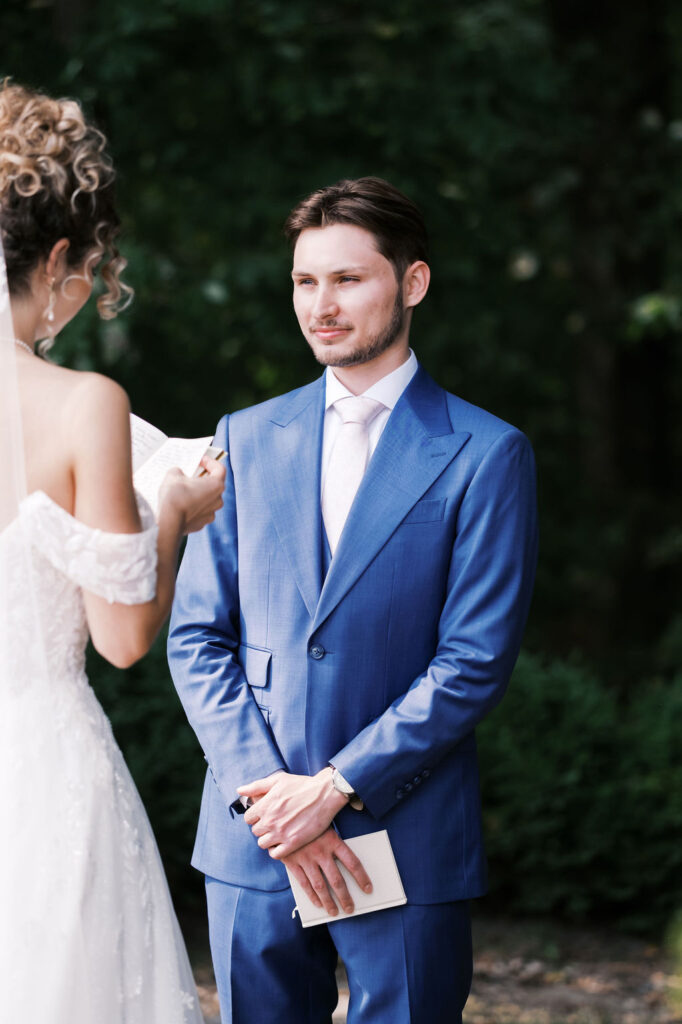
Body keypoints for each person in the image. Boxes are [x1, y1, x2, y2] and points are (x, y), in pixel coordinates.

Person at [168, 176, 538, 1024]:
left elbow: (474, 661)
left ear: (412, 283)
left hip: (405, 835)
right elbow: (197, 638)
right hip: (255, 838)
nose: (321, 306)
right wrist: (276, 796)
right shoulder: (242, 437)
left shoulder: (487, 454)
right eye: (306, 281)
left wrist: (334, 787)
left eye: (348, 279)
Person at [0, 81, 225, 1023]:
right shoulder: (83, 402)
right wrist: (172, 509)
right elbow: (125, 636)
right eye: (88, 271)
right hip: (42, 775)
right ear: (57, 258)